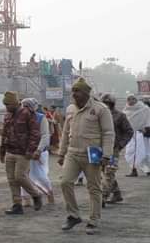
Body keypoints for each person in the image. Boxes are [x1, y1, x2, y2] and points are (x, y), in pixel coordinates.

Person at [59, 78, 115, 234]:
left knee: (94, 188)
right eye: (73, 91)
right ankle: (73, 215)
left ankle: (94, 220)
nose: (74, 94)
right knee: (65, 182)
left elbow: (108, 133)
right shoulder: (70, 109)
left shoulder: (100, 109)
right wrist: (61, 152)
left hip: (93, 154)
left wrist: (107, 154)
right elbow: (65, 132)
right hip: (73, 152)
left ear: (86, 93)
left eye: (77, 91)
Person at [0, 91, 43, 215]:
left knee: (20, 176)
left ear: (15, 103)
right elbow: (4, 133)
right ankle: (17, 205)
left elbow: (35, 133)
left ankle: (36, 195)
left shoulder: (27, 113)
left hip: (23, 153)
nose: (6, 107)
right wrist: (2, 151)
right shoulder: (7, 115)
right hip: (10, 151)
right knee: (11, 180)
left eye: (8, 104)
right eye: (5, 104)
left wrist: (31, 150)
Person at [102, 94, 133, 204]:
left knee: (109, 172)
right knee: (104, 172)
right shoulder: (98, 115)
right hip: (100, 148)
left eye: (108, 103)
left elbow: (129, 131)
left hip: (113, 148)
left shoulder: (120, 116)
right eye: (104, 103)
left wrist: (121, 144)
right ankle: (117, 193)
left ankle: (103, 197)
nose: (106, 105)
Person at [122, 94, 150, 176]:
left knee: (144, 153)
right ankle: (133, 169)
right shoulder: (125, 110)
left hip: (142, 135)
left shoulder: (144, 109)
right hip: (130, 135)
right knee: (130, 152)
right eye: (129, 99)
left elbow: (148, 119)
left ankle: (147, 169)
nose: (131, 101)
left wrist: (145, 128)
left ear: (136, 100)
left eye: (133, 99)